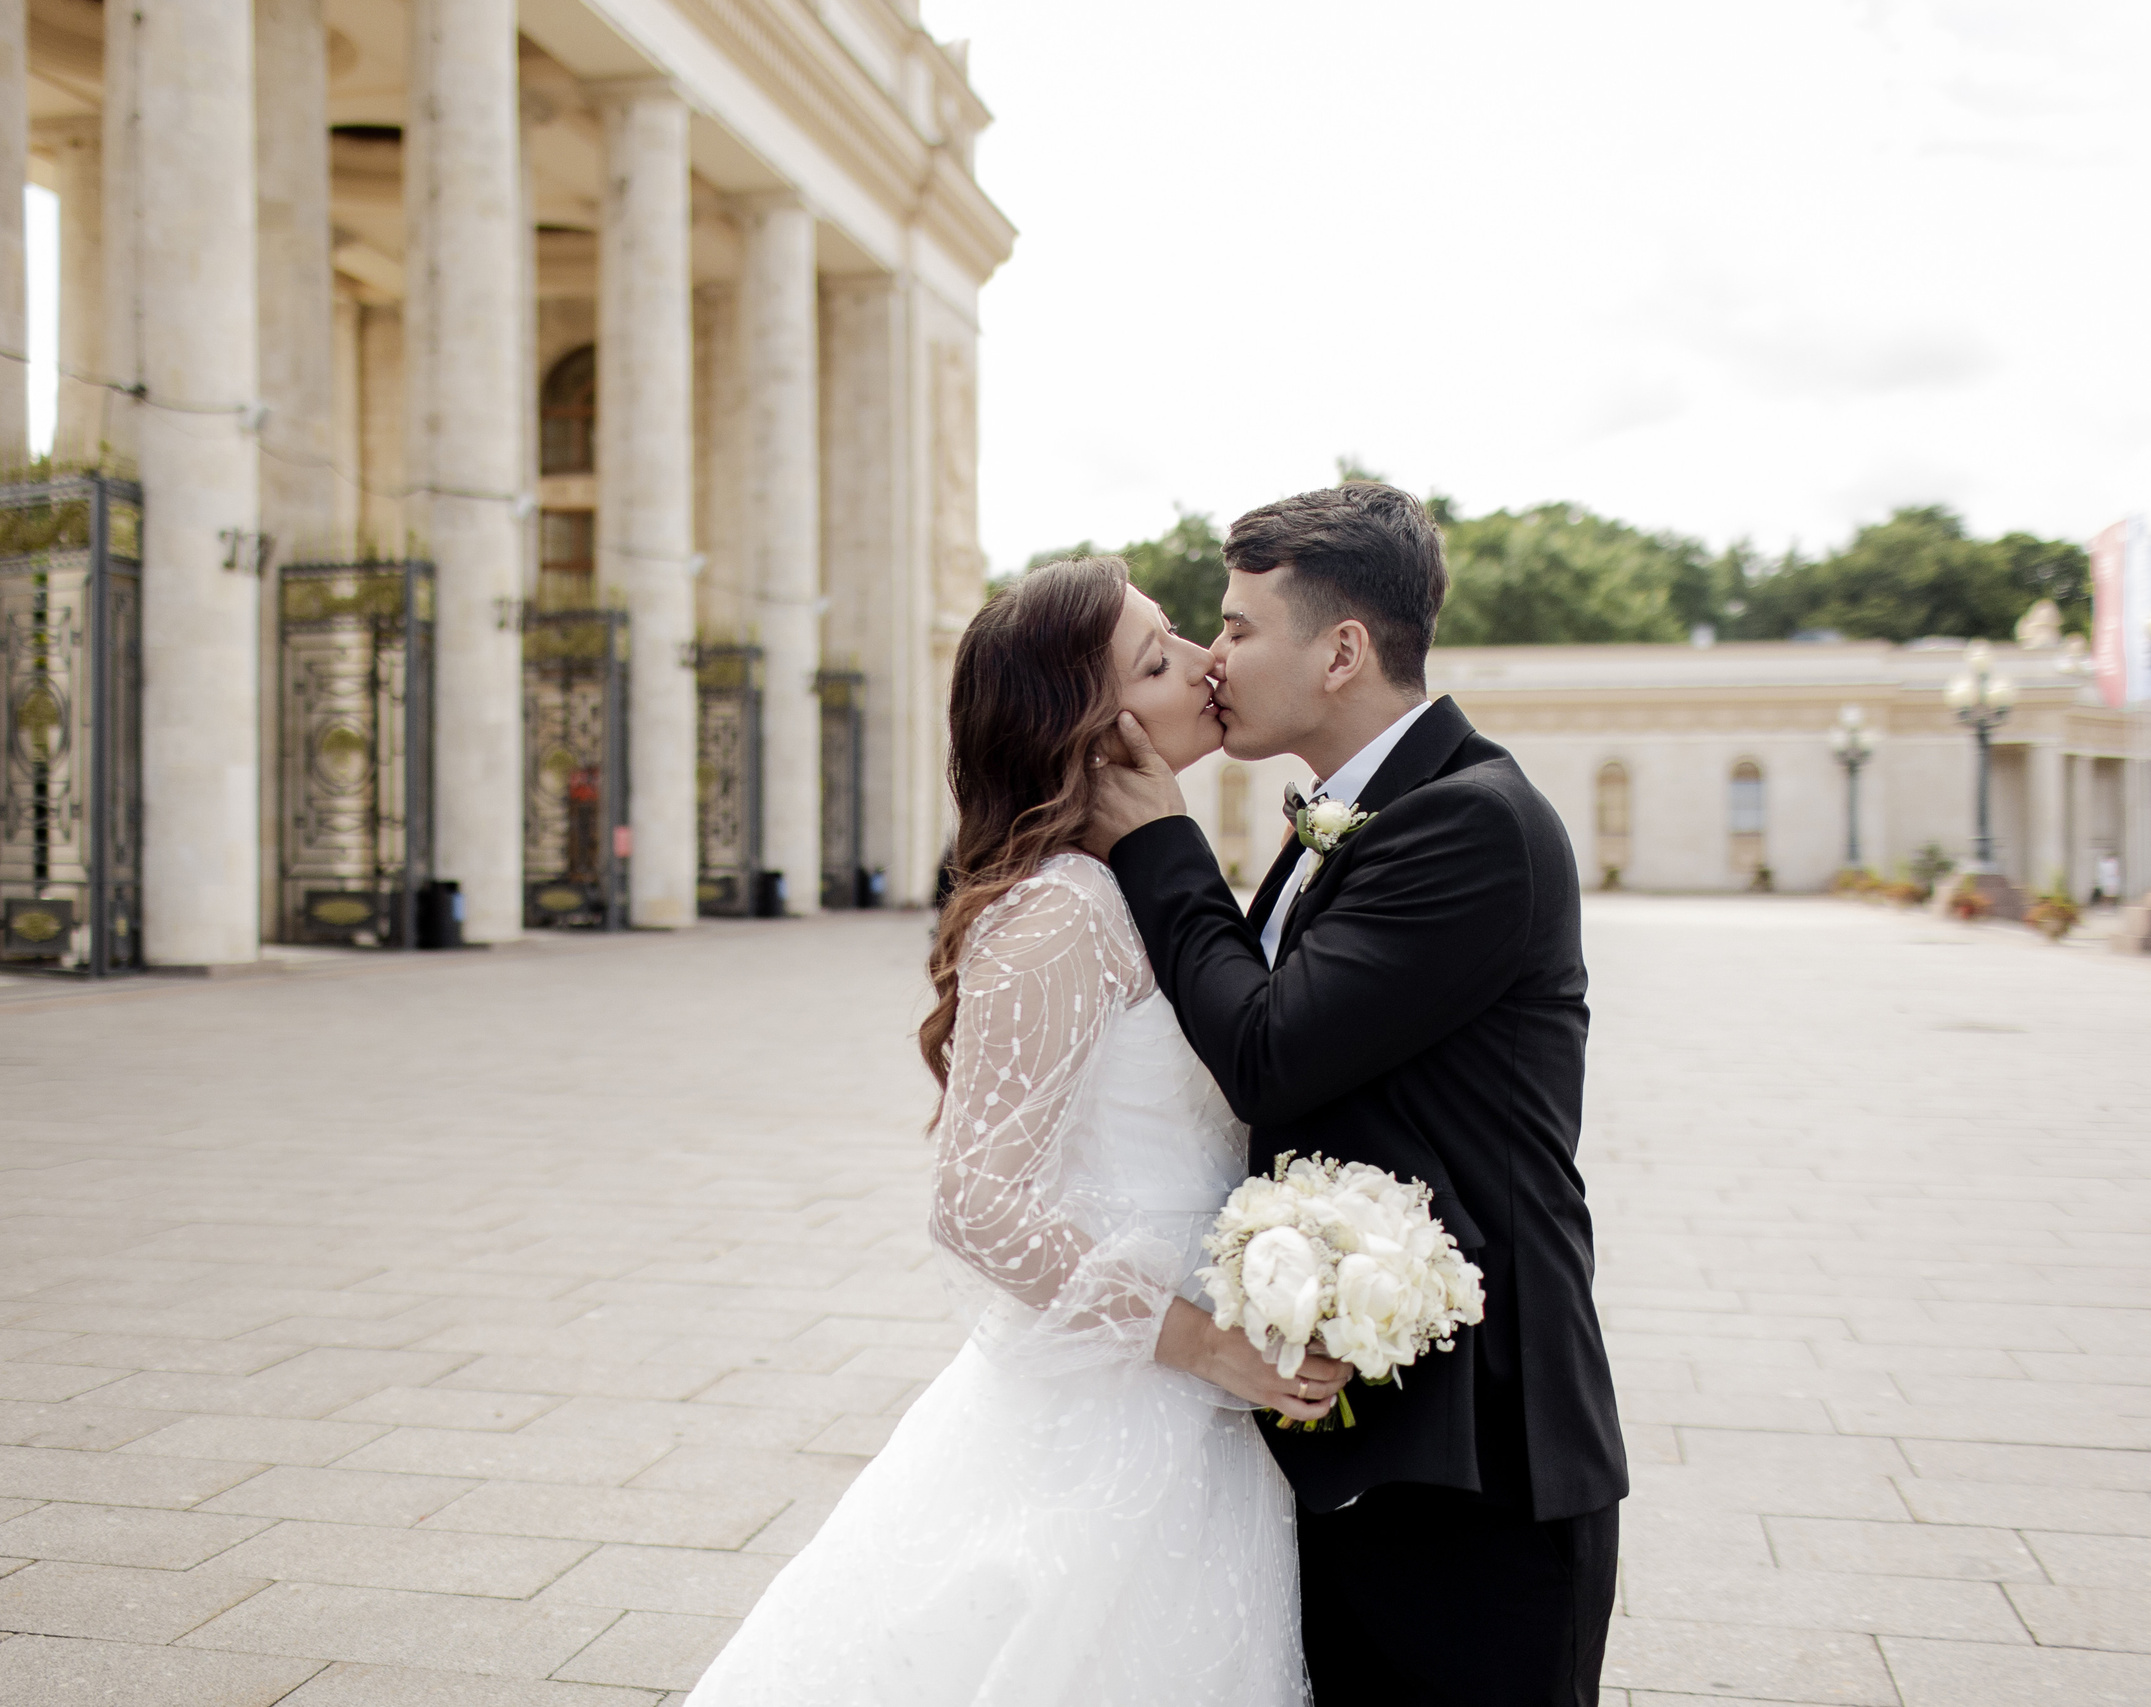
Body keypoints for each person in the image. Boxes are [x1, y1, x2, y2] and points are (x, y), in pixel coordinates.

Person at [687, 556, 1335, 1707]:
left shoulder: (1138, 884)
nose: (1204, 662)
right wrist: (1194, 1340)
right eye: (1158, 659)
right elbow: (973, 1201)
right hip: (1125, 1391)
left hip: (1195, 1405)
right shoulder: (1059, 910)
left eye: (1185, 635)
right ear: (1090, 733)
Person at [1084, 483, 1627, 1707]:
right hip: (1362, 1434)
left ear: (1341, 650)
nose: (1213, 657)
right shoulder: (1361, 811)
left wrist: (1159, 842)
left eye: (1236, 627)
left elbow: (1272, 1051)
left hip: (1479, 1464)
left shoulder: (1473, 823)